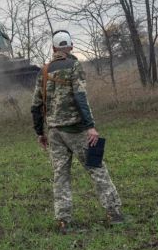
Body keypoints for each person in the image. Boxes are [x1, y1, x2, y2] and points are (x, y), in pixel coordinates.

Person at [31, 30, 126, 232]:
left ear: (54, 49)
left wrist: (40, 132)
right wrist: (90, 126)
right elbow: (81, 97)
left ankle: (63, 220)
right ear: (71, 47)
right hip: (77, 130)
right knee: (97, 166)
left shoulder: (44, 71)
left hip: (55, 132)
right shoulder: (75, 66)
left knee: (61, 176)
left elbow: (36, 105)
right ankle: (114, 212)